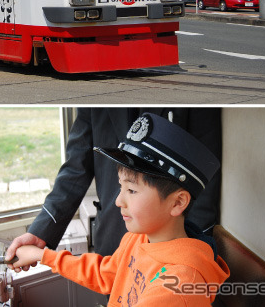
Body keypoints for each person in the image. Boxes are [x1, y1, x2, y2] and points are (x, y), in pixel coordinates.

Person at [12, 113, 230, 305]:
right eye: (120, 186)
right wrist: (43, 255)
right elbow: (107, 273)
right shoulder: (138, 239)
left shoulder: (178, 287)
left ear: (177, 203)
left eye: (132, 190)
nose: (118, 201)